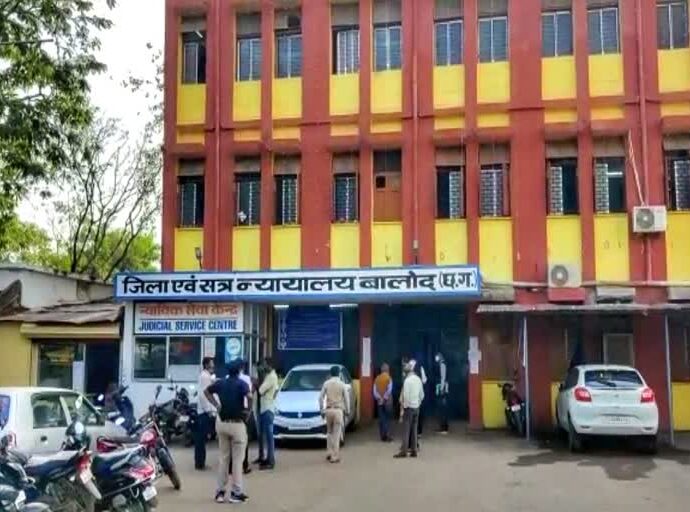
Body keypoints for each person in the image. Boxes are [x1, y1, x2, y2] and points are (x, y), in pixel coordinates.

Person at [204, 360, 251, 504]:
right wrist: (248, 411)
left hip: (222, 423)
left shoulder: (221, 383)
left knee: (223, 458)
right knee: (237, 460)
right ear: (239, 371)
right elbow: (250, 397)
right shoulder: (242, 384)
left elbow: (206, 391)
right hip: (237, 424)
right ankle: (236, 493)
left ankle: (220, 492)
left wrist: (216, 405)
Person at [319, 366, 350, 464]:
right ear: (339, 373)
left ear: (330, 374)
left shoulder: (326, 383)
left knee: (329, 432)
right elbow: (347, 399)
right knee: (336, 434)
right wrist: (348, 411)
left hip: (328, 410)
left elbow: (320, 398)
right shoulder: (342, 384)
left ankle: (329, 452)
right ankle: (334, 456)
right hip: (338, 411)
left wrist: (321, 410)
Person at [394, 362, 424, 458]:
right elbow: (422, 395)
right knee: (414, 430)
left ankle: (404, 451)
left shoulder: (407, 381)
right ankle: (414, 451)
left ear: (405, 373)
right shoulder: (418, 379)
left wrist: (404, 408)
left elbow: (406, 396)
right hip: (416, 408)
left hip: (409, 408)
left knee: (406, 430)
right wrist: (418, 404)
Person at [257, 358, 279, 470]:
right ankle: (269, 458)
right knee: (268, 436)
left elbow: (260, 390)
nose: (264, 367)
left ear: (270, 365)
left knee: (269, 437)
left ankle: (270, 461)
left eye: (265, 365)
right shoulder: (272, 376)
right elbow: (276, 391)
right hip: (268, 407)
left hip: (267, 408)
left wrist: (258, 384)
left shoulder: (270, 377)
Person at [195, 357, 216, 470]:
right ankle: (200, 463)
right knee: (201, 439)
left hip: (204, 410)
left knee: (201, 439)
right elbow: (203, 395)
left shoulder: (206, 376)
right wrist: (208, 410)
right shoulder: (205, 377)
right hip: (204, 412)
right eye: (211, 363)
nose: (213, 365)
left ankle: (200, 462)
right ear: (207, 365)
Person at [238, 361, 253, 475]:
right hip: (244, 410)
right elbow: (250, 395)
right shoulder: (247, 379)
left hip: (232, 410)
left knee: (232, 440)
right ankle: (244, 465)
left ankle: (231, 466)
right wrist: (249, 411)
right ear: (243, 368)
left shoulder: (227, 378)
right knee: (244, 439)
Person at [373, 363, 393, 442]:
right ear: (387, 370)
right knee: (387, 418)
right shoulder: (389, 378)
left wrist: (379, 398)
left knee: (381, 419)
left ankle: (382, 436)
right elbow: (389, 390)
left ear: (381, 370)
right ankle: (387, 435)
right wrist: (384, 398)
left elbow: (374, 391)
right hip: (387, 402)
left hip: (379, 402)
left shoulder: (377, 378)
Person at [434, 352, 449, 434]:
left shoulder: (442, 365)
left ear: (440, 357)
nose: (436, 359)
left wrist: (442, 389)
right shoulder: (441, 364)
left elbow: (443, 377)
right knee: (441, 409)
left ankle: (444, 428)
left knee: (442, 409)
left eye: (437, 357)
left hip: (442, 389)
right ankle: (442, 427)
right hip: (441, 388)